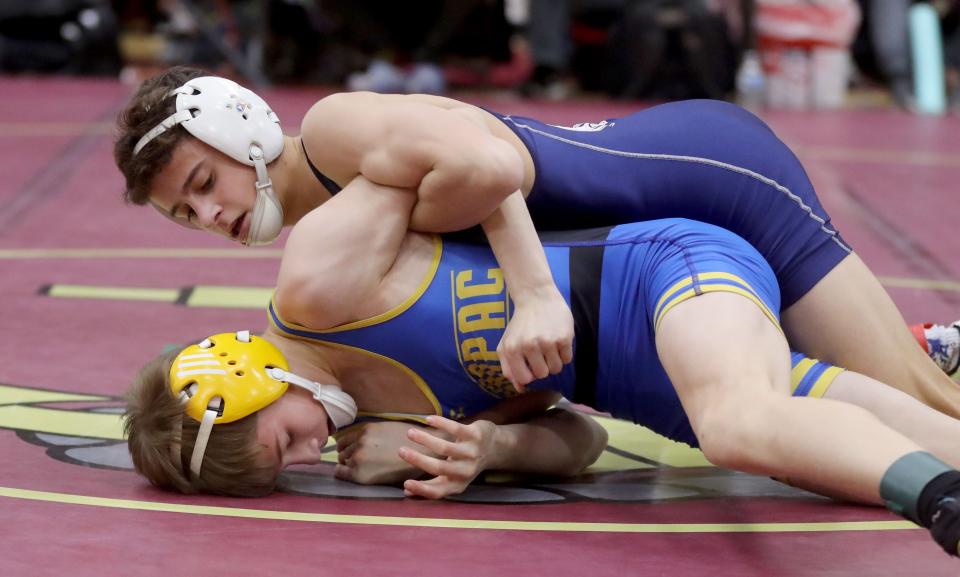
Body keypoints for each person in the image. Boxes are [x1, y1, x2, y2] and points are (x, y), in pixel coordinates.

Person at [123, 185, 960, 557]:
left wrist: (531, 291)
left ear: (247, 375)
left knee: (738, 424)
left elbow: (472, 156)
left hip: (664, 272)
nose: (308, 461)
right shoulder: (374, 434)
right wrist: (488, 450)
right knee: (867, 437)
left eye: (281, 448)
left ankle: (939, 504)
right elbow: (581, 435)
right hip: (662, 387)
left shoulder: (318, 279)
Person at [113, 66, 960, 418]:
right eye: (185, 216)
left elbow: (488, 162)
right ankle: (928, 342)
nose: (211, 216)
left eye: (202, 185)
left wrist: (535, 296)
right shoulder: (335, 224)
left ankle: (924, 354)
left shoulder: (333, 133)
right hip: (678, 223)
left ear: (241, 127)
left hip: (713, 175)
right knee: (862, 384)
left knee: (918, 401)